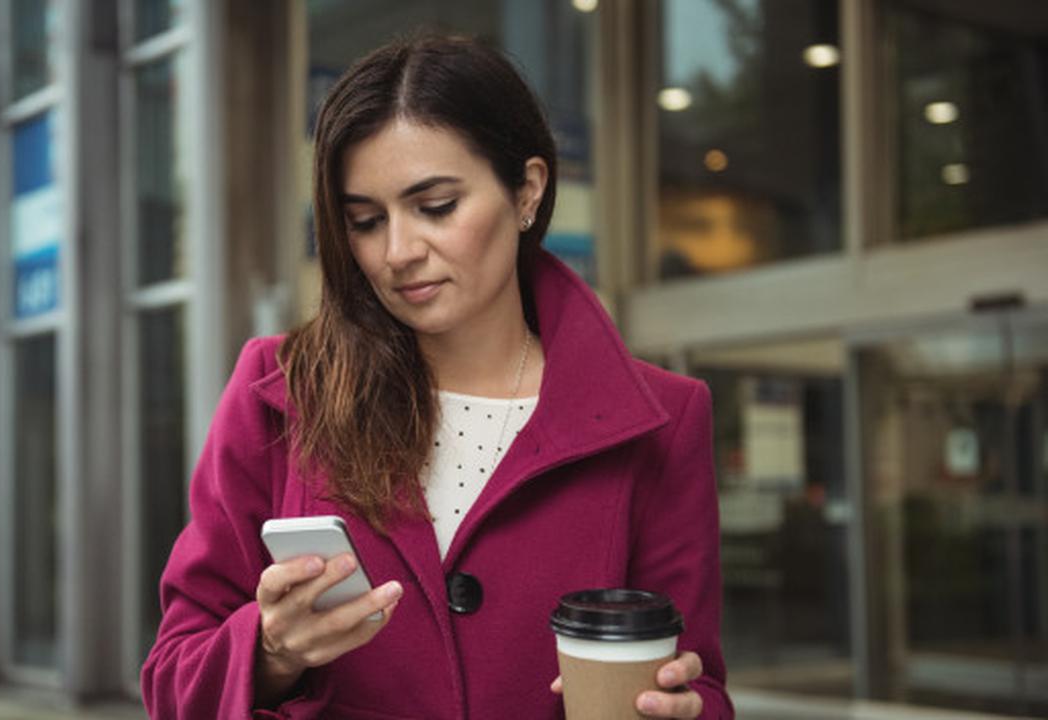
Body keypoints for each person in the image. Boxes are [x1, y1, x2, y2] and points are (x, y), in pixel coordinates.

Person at [141, 34, 730, 719]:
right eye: (364, 220)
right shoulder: (279, 391)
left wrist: (679, 710)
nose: (398, 252)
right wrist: (271, 650)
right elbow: (170, 682)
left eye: (437, 206)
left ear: (528, 192)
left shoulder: (665, 418)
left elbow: (701, 687)